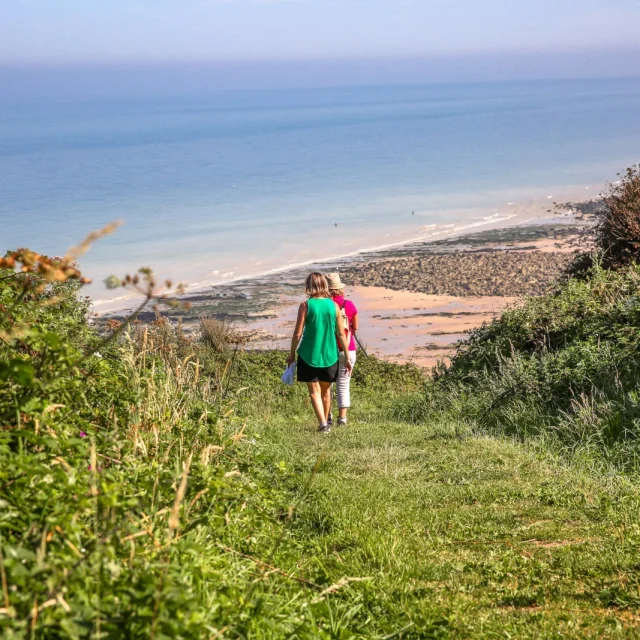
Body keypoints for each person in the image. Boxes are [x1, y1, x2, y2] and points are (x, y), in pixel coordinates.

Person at [287, 272, 352, 433]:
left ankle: (323, 424)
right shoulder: (334, 306)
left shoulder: (306, 305)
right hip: (330, 355)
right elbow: (341, 333)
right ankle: (326, 423)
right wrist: (347, 356)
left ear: (308, 286)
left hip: (309, 354)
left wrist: (291, 354)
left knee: (314, 391)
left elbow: (297, 334)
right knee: (326, 390)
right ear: (324, 285)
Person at [326, 272, 359, 426]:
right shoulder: (349, 305)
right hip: (348, 349)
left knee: (328, 385)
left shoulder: (326, 306)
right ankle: (342, 419)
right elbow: (356, 327)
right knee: (343, 384)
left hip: (329, 349)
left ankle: (328, 416)